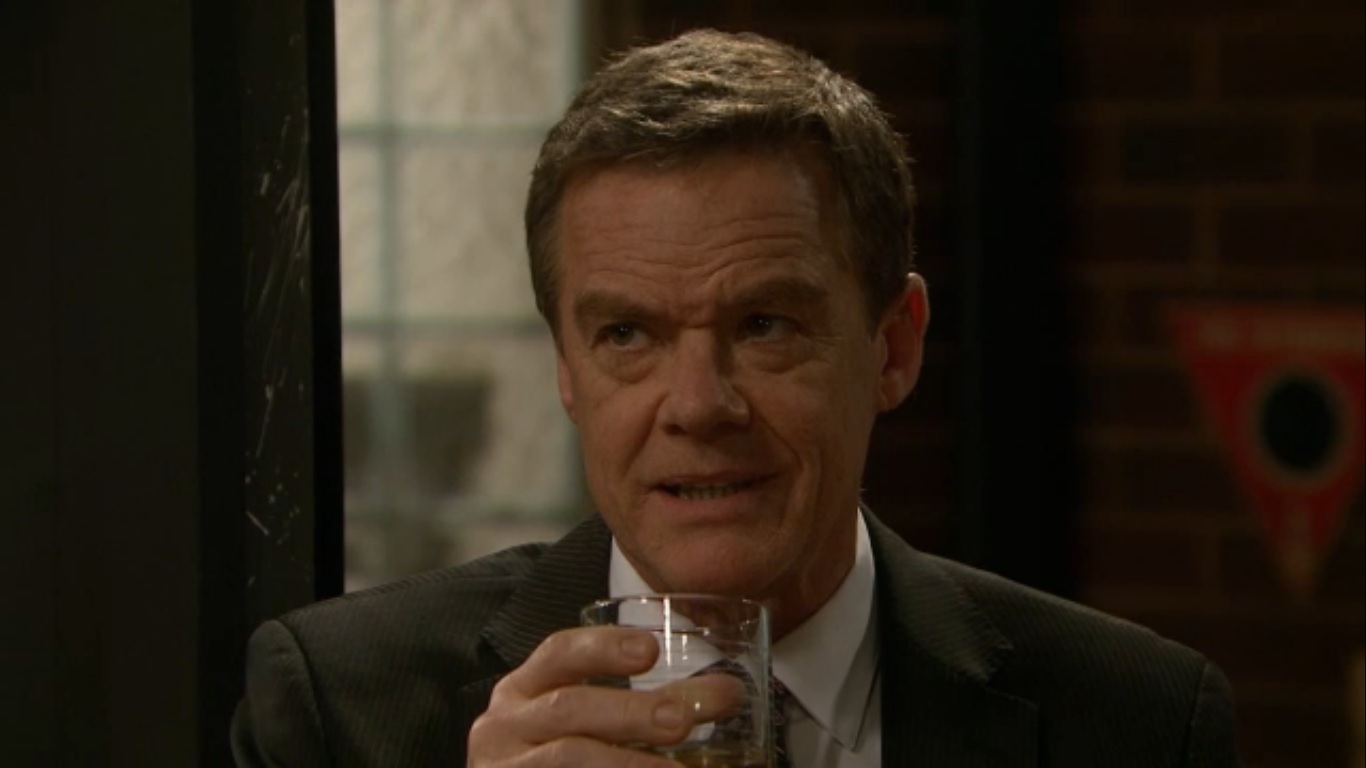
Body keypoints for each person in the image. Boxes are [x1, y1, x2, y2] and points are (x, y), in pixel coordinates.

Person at [232, 29, 1238, 767]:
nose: (698, 404)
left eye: (764, 325)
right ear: (566, 370)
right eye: (627, 335)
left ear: (893, 348)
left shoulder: (1139, 725)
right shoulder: (339, 709)